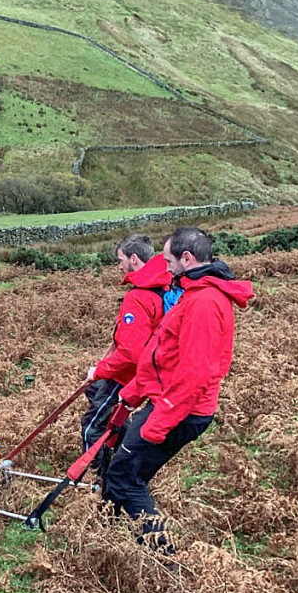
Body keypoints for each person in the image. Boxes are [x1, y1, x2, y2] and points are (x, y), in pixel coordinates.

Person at [104, 228, 254, 550]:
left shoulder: (204, 302)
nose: (164, 266)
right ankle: (109, 539)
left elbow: (195, 373)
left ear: (187, 258)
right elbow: (165, 355)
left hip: (181, 410)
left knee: (125, 477)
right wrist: (133, 393)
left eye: (168, 259)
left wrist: (158, 423)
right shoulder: (193, 292)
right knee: (123, 472)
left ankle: (163, 559)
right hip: (169, 403)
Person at [81, 235, 171, 461]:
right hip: (148, 369)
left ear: (134, 258)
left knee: (92, 426)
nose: (119, 267)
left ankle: (96, 473)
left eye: (120, 260)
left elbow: (131, 353)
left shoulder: (138, 297)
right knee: (93, 391)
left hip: (125, 374)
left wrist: (100, 370)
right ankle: (121, 447)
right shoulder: (165, 285)